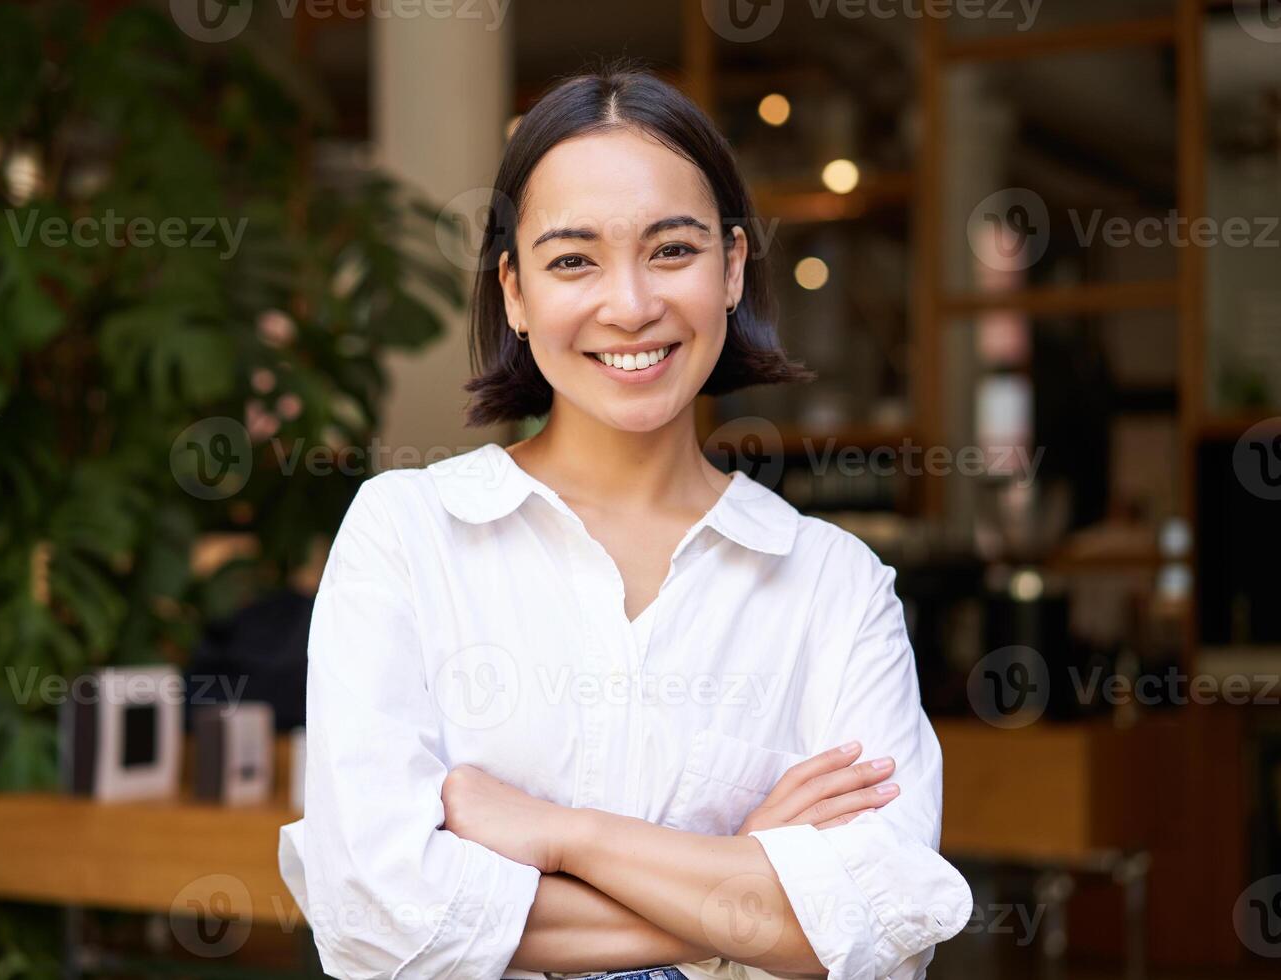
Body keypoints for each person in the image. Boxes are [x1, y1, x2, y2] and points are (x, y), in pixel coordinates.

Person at [278, 61, 972, 980]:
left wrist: (560, 837)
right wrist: (745, 893)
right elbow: (375, 917)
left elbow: (888, 926)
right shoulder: (408, 535)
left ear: (731, 267)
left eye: (672, 250)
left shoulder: (832, 585)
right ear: (516, 293)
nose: (631, 304)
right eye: (573, 260)